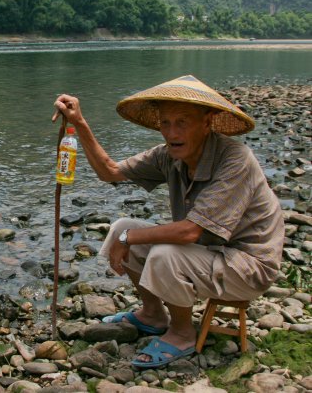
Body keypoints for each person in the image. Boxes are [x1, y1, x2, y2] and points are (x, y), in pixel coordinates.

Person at [52, 75, 283, 369]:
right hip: (208, 251)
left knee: (158, 250)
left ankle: (183, 333)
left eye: (182, 122)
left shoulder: (235, 159)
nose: (171, 132)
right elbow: (110, 171)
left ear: (207, 121)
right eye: (165, 123)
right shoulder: (169, 155)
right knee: (122, 228)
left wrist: (130, 240)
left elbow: (190, 231)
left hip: (248, 265)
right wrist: (80, 123)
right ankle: (153, 314)